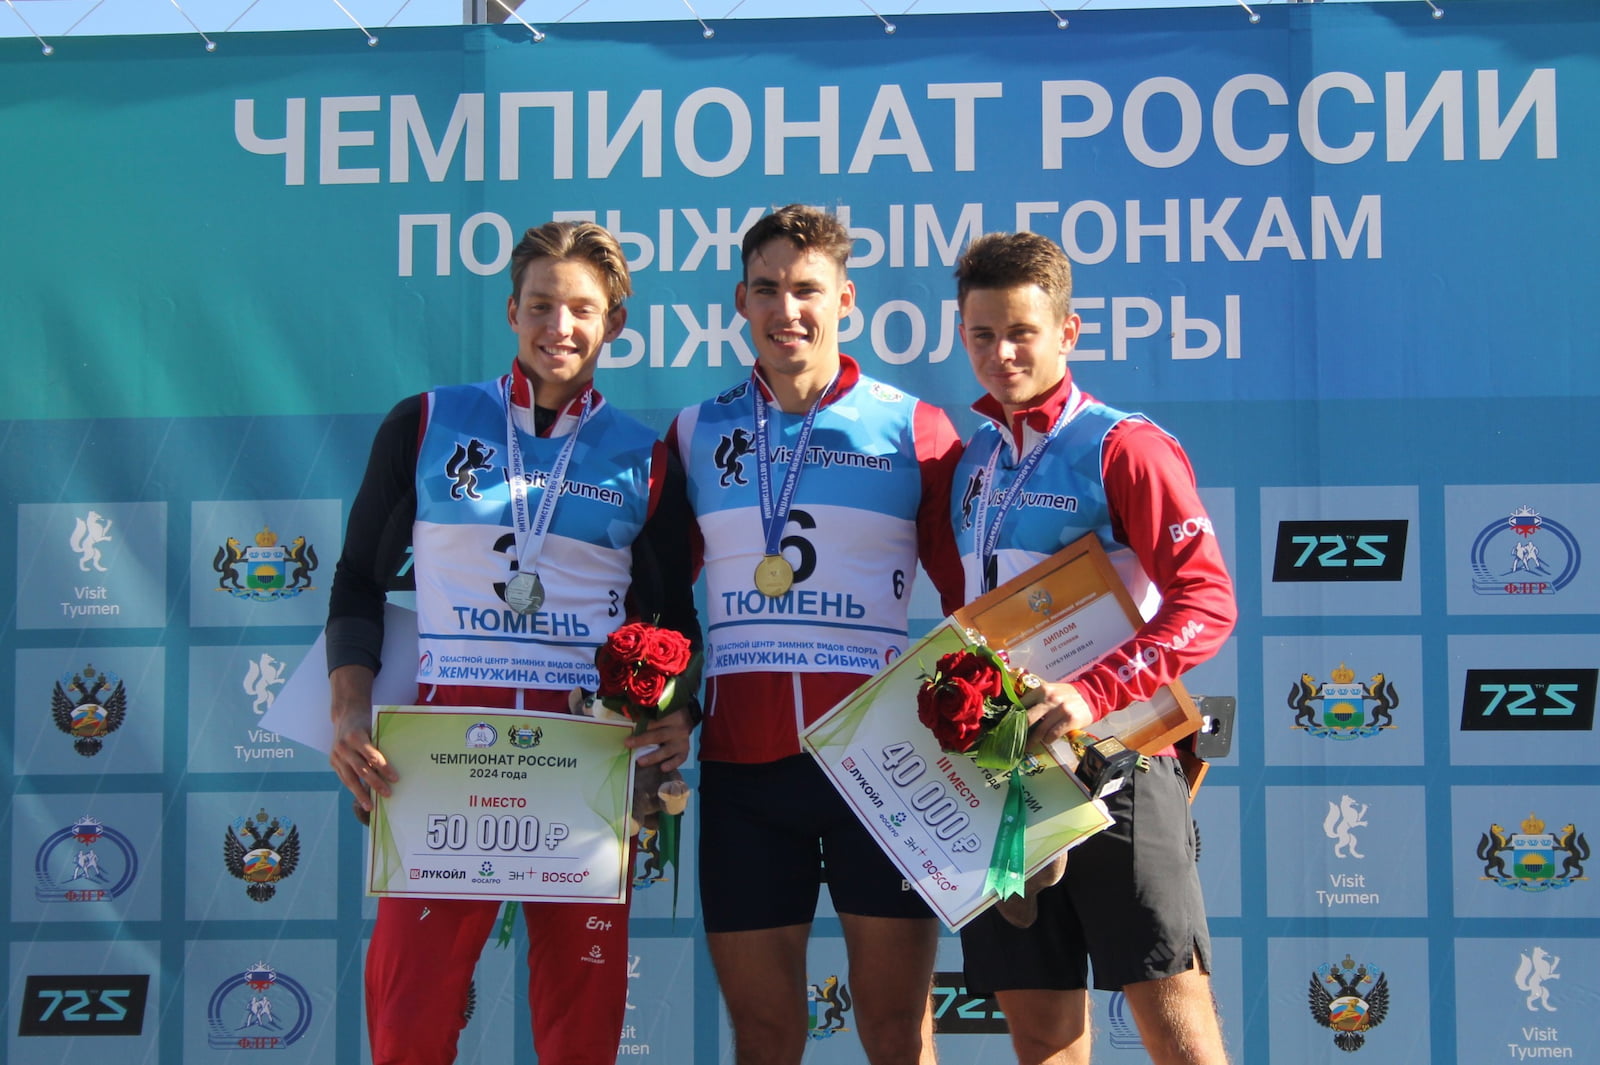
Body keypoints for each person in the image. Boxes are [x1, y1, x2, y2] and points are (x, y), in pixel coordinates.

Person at [324, 220, 699, 1065]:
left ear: (614, 324)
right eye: (540, 305)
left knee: (581, 1027)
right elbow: (356, 579)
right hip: (444, 755)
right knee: (410, 1021)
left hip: (586, 757)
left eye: (581, 310)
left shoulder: (643, 458)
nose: (558, 326)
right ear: (511, 311)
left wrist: (681, 710)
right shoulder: (426, 422)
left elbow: (675, 623)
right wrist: (349, 710)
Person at [667, 204, 966, 1065]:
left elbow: (971, 598)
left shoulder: (915, 429)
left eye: (807, 289)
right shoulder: (695, 431)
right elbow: (660, 604)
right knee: (765, 1037)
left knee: (897, 1032)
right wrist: (666, 706)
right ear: (741, 301)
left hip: (882, 768)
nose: (786, 309)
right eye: (766, 289)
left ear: (846, 299)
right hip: (745, 774)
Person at [949, 231, 1237, 1065]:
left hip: (1118, 760)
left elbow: (1207, 600)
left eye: (1022, 332)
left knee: (1178, 1033)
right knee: (1042, 1039)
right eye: (981, 335)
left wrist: (1092, 691)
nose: (1001, 353)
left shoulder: (1123, 445)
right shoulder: (975, 460)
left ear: (1068, 332)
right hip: (1009, 773)